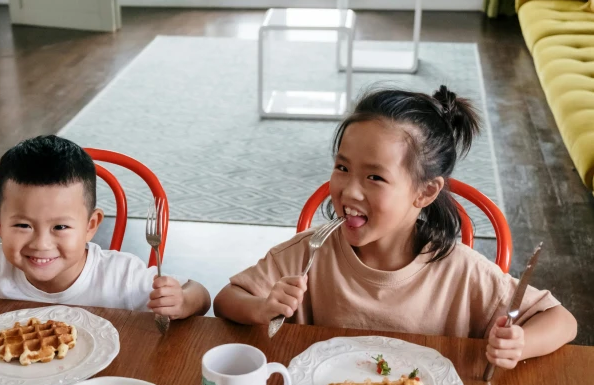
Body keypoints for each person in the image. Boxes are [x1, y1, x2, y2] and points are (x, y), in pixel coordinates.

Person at [214, 87, 576, 369]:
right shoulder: (308, 253)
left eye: (374, 176)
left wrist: (520, 344)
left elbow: (561, 320)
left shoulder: (461, 271)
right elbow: (226, 300)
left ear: (425, 191)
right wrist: (262, 308)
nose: (349, 190)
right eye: (342, 168)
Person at [0, 135, 211, 320]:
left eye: (61, 227)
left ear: (91, 225)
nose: (41, 243)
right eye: (23, 225)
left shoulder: (120, 276)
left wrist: (182, 301)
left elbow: (199, 294)